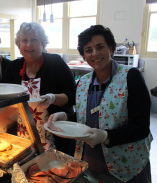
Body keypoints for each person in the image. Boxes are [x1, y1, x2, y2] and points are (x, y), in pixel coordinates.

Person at [47, 25, 152, 183]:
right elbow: (86, 118)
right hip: (90, 163)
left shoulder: (131, 77)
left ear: (111, 48)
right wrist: (66, 116)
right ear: (84, 55)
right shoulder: (83, 83)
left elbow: (141, 127)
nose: (94, 54)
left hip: (126, 166)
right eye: (88, 50)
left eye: (100, 47)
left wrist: (106, 136)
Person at [1, 22, 76, 151]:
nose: (29, 44)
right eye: (24, 40)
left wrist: (53, 98)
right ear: (19, 45)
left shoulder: (55, 63)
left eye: (34, 40)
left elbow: (72, 96)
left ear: (42, 43)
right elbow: (2, 95)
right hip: (21, 134)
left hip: (54, 133)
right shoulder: (13, 67)